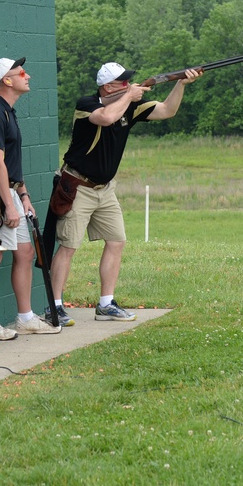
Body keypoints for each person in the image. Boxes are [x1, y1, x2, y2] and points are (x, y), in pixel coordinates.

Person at [48, 62, 203, 321]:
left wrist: (180, 83)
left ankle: (106, 304)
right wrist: (129, 96)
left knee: (117, 241)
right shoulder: (87, 104)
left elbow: (167, 111)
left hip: (105, 188)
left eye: (128, 82)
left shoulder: (129, 106)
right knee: (68, 246)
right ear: (108, 87)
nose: (129, 85)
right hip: (78, 185)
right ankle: (54, 306)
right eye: (123, 82)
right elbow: (106, 118)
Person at [0, 57, 62, 339]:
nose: (28, 76)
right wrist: (9, 204)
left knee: (25, 252)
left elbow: (10, 162)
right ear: (6, 81)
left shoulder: (8, 111)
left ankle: (24, 317)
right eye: (21, 72)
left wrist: (22, 194)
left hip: (10, 192)